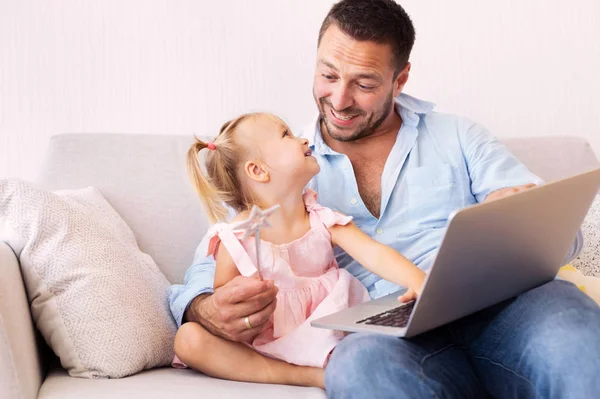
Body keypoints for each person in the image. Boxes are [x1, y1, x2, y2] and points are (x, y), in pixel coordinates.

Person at [169, 0, 600, 397]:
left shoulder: (458, 136)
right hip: (387, 335)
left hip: (504, 309)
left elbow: (564, 235)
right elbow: (206, 271)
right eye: (328, 75)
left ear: (400, 79)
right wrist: (205, 309)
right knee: (360, 369)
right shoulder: (273, 169)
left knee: (574, 343)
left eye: (364, 83)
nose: (339, 100)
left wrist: (518, 210)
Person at [173, 112, 426, 388]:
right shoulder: (237, 237)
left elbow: (374, 253)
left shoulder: (320, 218)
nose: (304, 139)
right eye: (287, 135)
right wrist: (243, 298)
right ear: (258, 170)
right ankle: (300, 375)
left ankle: (323, 368)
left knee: (370, 347)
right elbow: (225, 302)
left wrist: (418, 280)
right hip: (266, 337)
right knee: (188, 339)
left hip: (325, 328)